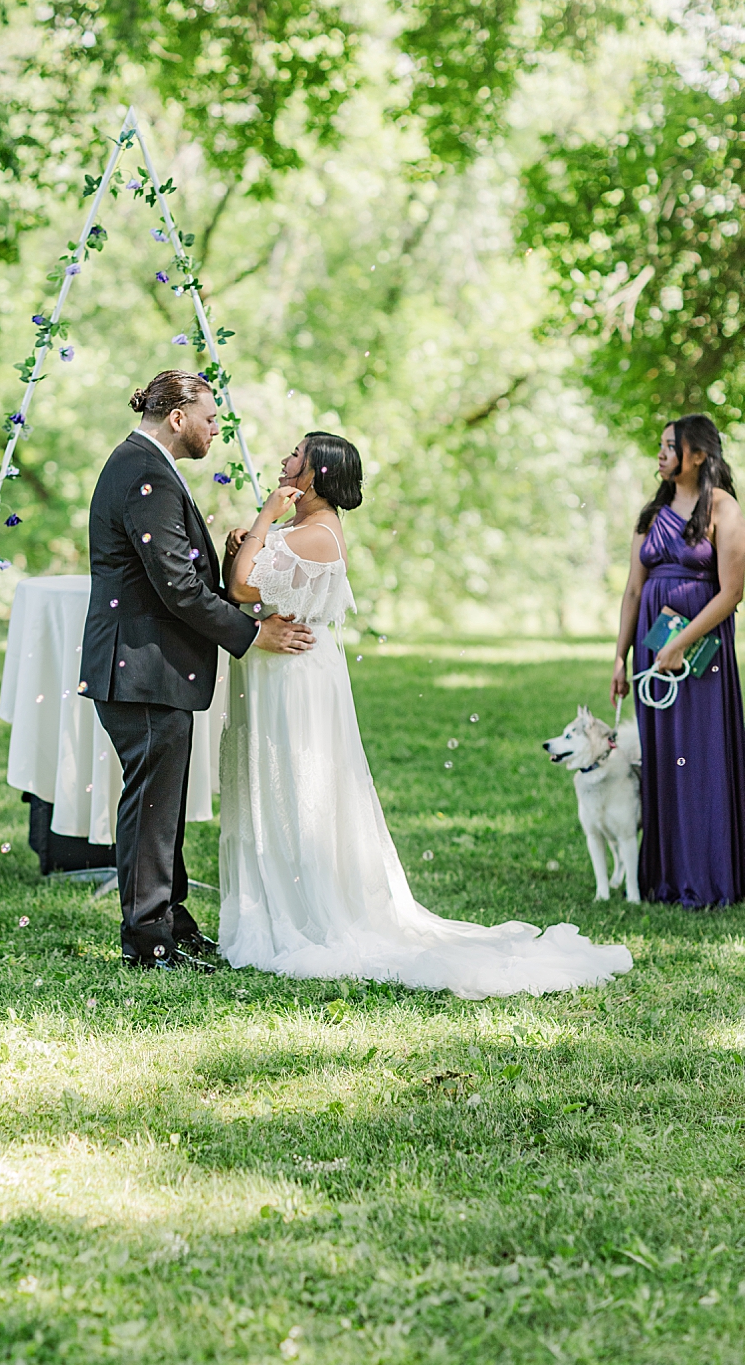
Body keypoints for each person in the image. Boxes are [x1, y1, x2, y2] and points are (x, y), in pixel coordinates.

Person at [218, 432, 633, 996]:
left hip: (296, 680)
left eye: (295, 455)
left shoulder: (317, 534)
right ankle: (273, 900)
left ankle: (308, 906)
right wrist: (244, 535)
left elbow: (244, 587)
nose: (283, 460)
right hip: (270, 671)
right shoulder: (296, 529)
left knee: (300, 786)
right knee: (271, 785)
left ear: (315, 474)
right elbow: (239, 581)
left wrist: (263, 517)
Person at [80, 371, 314, 969]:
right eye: (210, 418)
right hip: (142, 669)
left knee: (161, 804)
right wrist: (253, 634)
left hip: (147, 668)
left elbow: (179, 573)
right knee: (151, 809)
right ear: (178, 416)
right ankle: (149, 941)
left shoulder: (144, 466)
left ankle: (170, 922)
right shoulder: (145, 473)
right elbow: (177, 589)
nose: (217, 428)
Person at [611, 414, 745, 906]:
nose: (662, 453)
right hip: (653, 646)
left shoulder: (723, 508)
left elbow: (732, 591)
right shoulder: (651, 514)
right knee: (663, 757)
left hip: (701, 651)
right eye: (661, 445)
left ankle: (708, 878)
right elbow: (632, 589)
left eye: (672, 446)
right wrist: (620, 657)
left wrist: (681, 642)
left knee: (701, 756)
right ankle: (665, 878)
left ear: (700, 454)